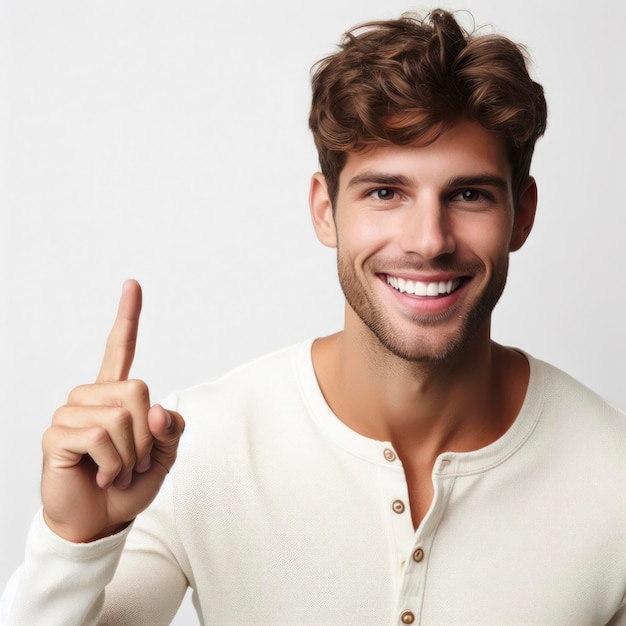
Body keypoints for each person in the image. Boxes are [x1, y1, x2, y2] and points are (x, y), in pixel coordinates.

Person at [2, 8, 625, 625]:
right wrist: (71, 542)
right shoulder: (199, 449)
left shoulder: (611, 479)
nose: (429, 240)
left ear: (521, 214)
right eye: (386, 192)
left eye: (468, 194)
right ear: (325, 211)